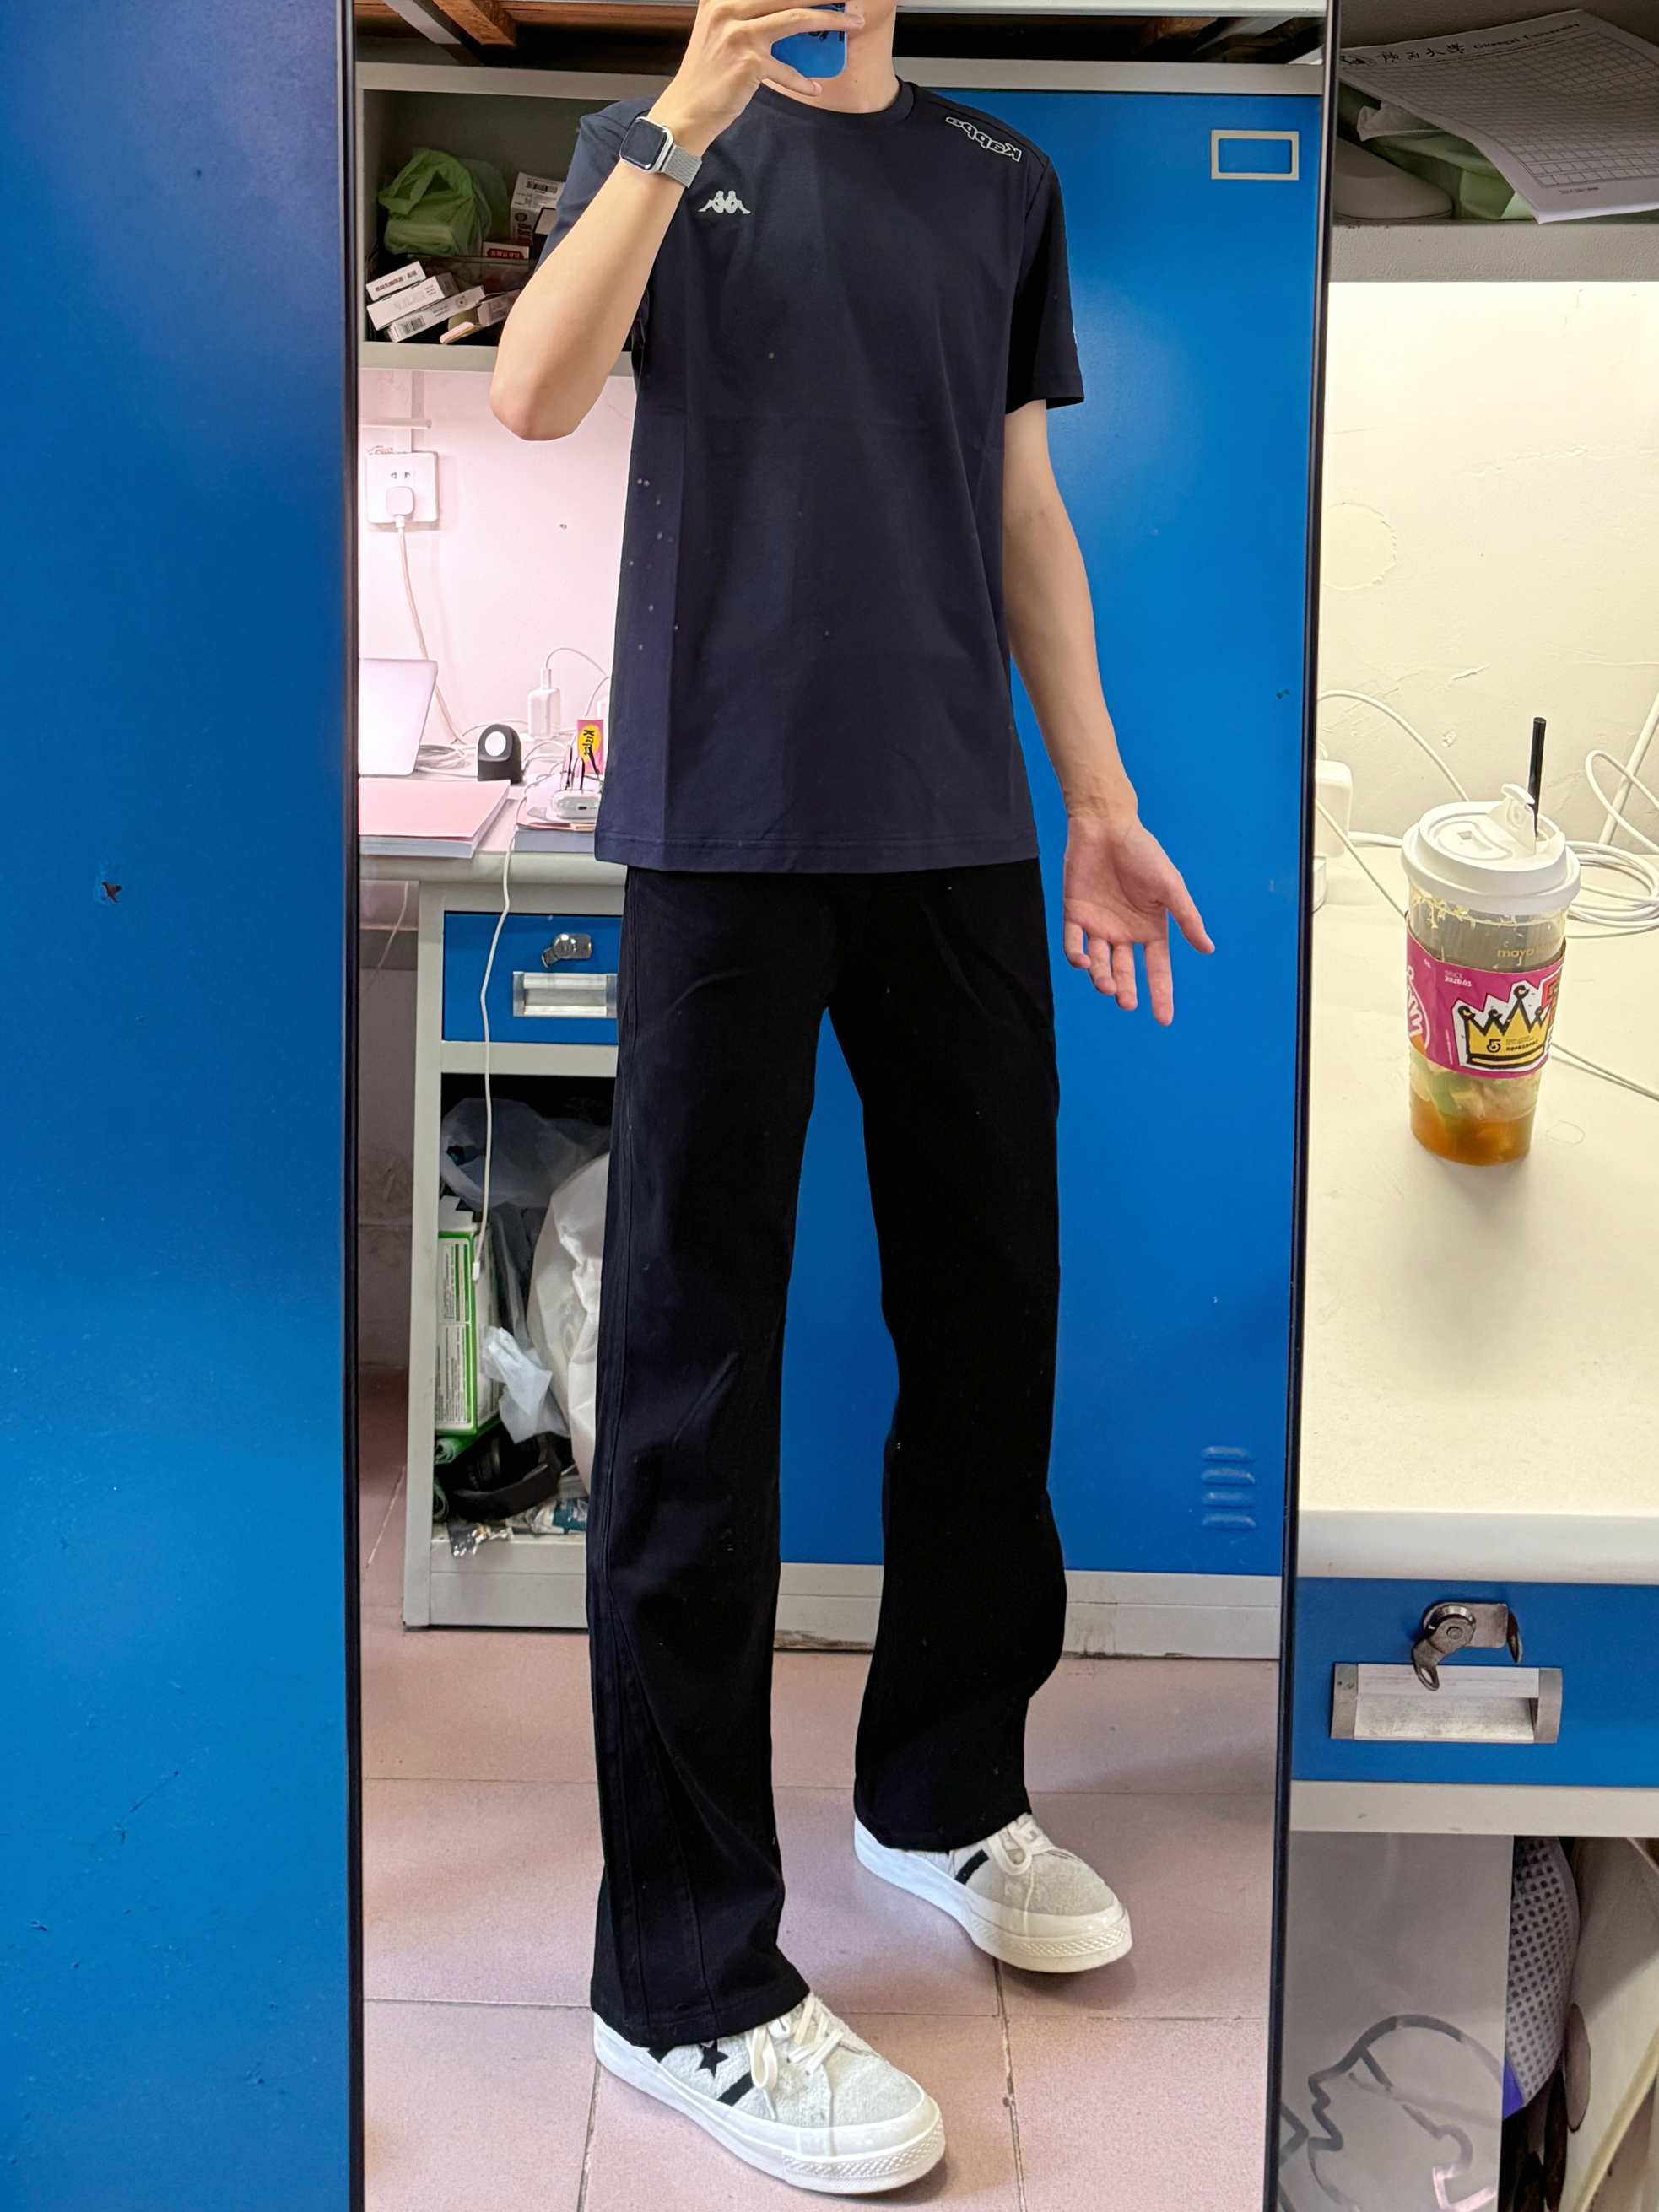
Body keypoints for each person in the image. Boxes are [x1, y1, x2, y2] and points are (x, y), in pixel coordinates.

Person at [491, 0, 1211, 2188]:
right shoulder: (655, 136)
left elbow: (1020, 512)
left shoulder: (999, 180)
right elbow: (531, 392)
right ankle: (682, 1978)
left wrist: (1098, 796)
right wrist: (686, 112)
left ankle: (944, 1794)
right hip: (721, 836)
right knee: (690, 1397)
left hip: (956, 837)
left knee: (992, 1338)